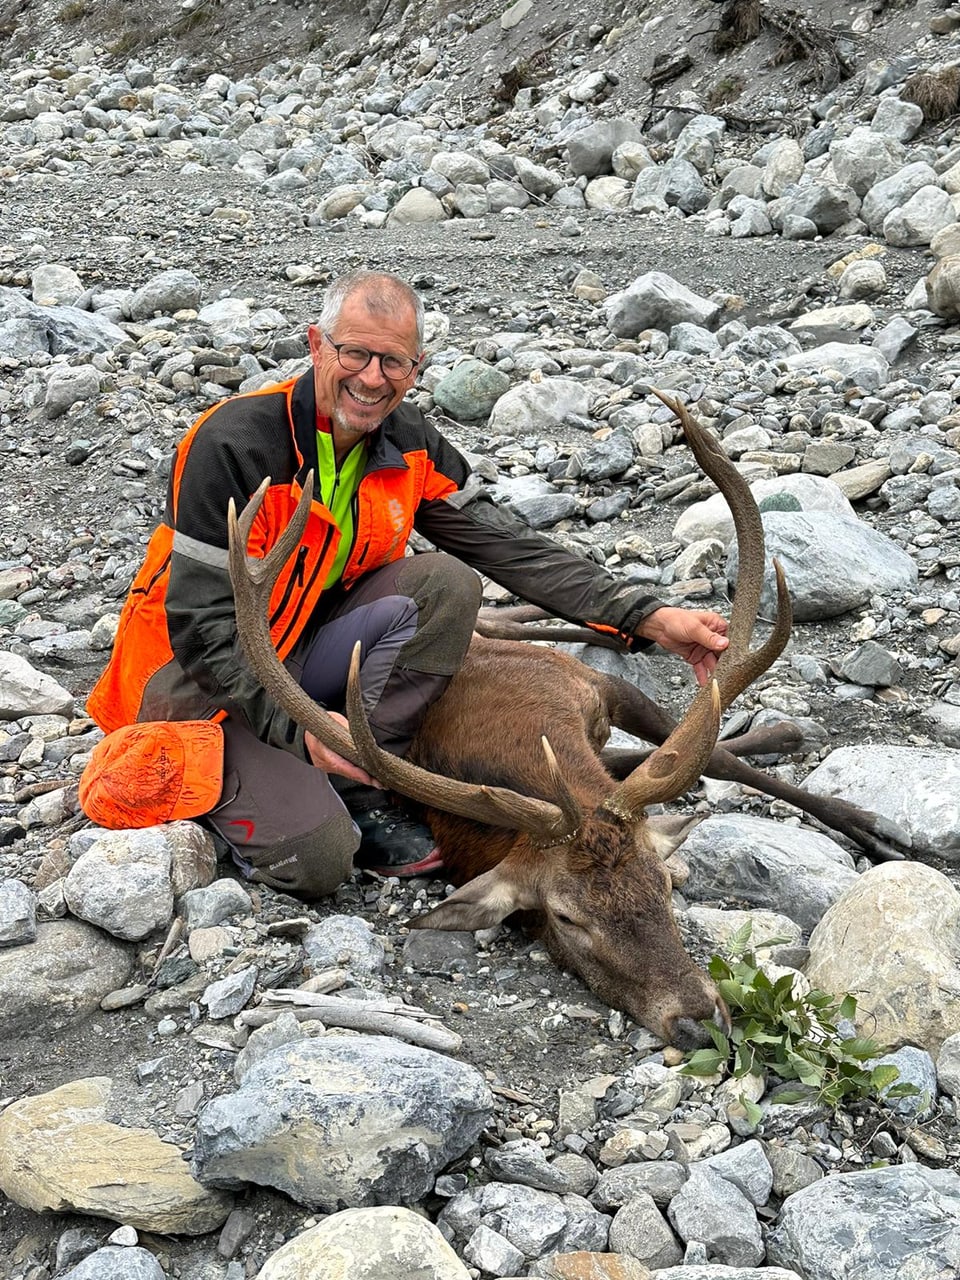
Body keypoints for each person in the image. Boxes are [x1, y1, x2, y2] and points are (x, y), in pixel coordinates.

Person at [84, 270, 728, 895]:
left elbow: (506, 545)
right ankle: (295, 776)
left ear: (416, 371)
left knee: (445, 583)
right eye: (355, 354)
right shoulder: (234, 444)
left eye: (393, 363)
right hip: (191, 689)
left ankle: (364, 772)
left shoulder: (407, 442)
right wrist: (296, 730)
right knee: (322, 861)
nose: (372, 378)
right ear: (316, 345)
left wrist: (645, 615)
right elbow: (200, 628)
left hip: (301, 650)